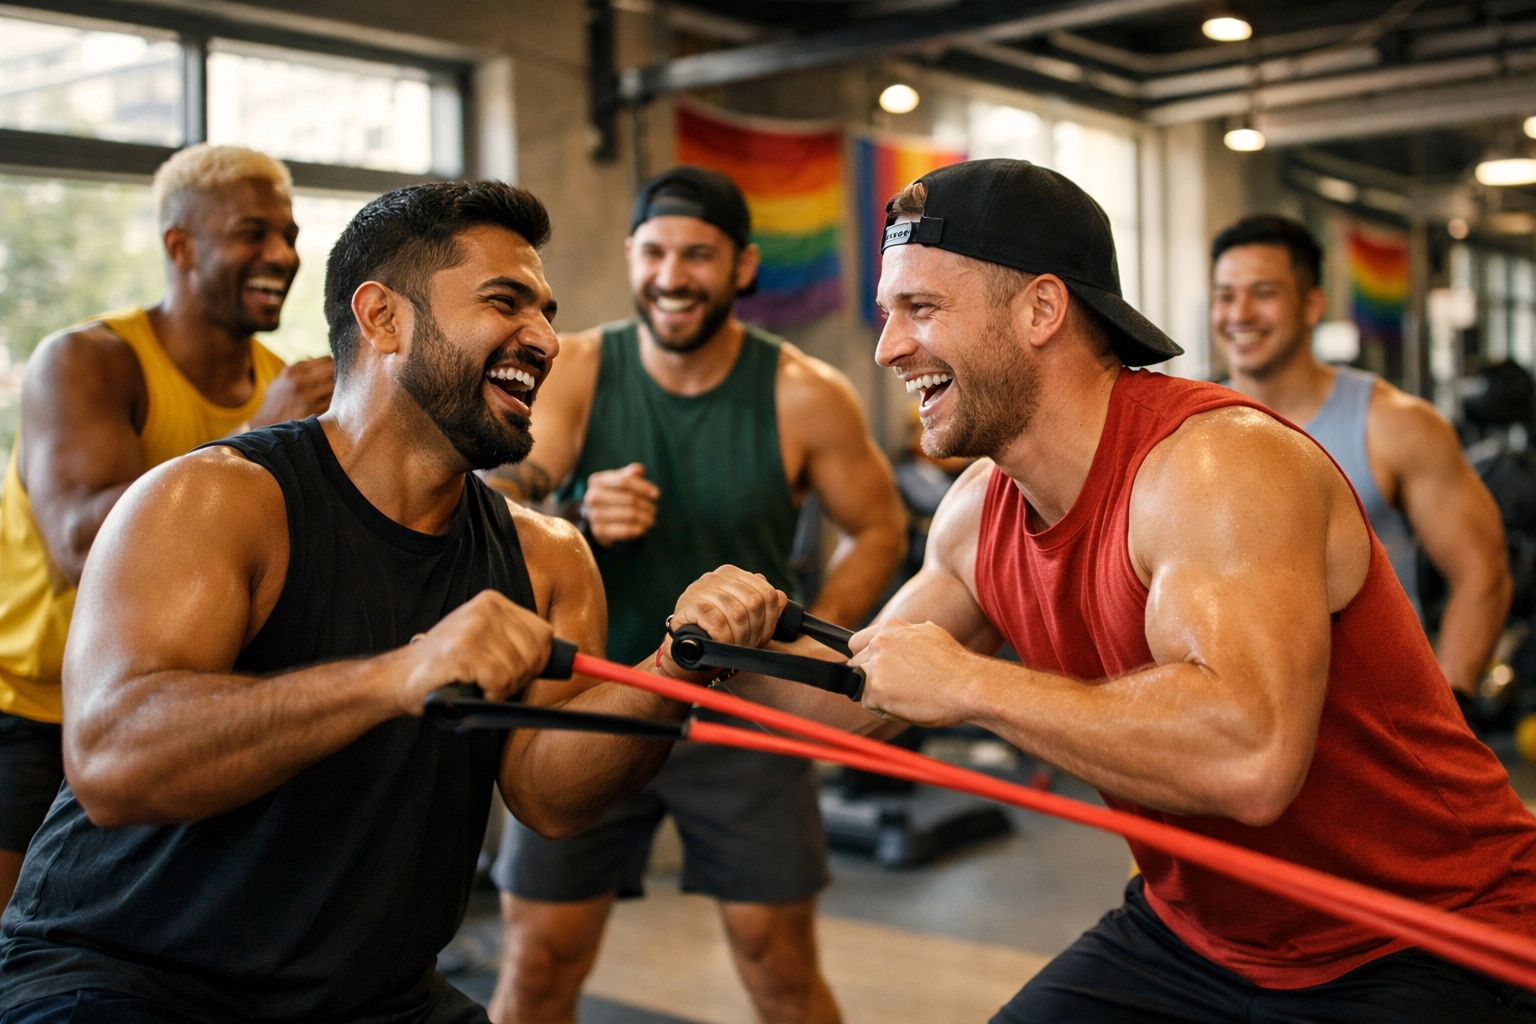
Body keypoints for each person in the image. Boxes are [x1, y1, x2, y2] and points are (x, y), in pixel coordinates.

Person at [718, 159, 1536, 1021]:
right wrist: (715, 645)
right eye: (890, 315)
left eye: (921, 309)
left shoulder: (1216, 467)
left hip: (1431, 934)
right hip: (1198, 937)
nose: (887, 348)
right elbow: (843, 703)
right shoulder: (975, 516)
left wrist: (967, 684)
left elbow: (1249, 758)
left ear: (1041, 309)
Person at [0, 180, 789, 1024]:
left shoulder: (548, 557)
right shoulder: (215, 499)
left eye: (547, 311)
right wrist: (398, 676)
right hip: (129, 976)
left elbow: (548, 799)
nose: (546, 339)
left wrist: (676, 666)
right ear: (382, 318)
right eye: (506, 303)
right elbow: (115, 761)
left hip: (369, 998)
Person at [482, 166, 906, 1024]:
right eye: (655, 252)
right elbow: (495, 499)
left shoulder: (804, 392)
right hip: (590, 703)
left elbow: (879, 528)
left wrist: (815, 652)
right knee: (538, 964)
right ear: (633, 257)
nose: (672, 276)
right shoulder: (579, 371)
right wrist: (571, 508)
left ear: (743, 266)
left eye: (698, 255)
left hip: (744, 714)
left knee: (778, 965)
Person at [0, 143, 334, 912]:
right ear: (180, 246)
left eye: (288, 234)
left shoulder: (277, 381)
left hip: (174, 714)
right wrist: (253, 435)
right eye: (253, 233)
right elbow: (81, 545)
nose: (281, 254)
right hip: (32, 715)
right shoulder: (88, 361)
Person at [1211, 215, 1510, 697]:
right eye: (1225, 296)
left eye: (1262, 293)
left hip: (1376, 725)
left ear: (1312, 305)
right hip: (1241, 727)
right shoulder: (1191, 428)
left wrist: (1446, 710)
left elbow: (1482, 569)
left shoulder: (1393, 424)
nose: (1239, 313)